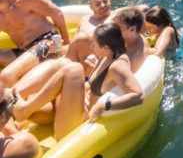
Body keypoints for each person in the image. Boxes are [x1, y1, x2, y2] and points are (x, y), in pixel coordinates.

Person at [12, 23, 143, 141]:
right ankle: (15, 95)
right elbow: (99, 85)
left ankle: (24, 110)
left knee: (74, 69)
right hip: (77, 107)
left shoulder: (118, 66)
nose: (91, 47)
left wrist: (104, 105)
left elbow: (138, 95)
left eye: (94, 44)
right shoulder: (108, 56)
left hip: (78, 125)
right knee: (64, 63)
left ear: (106, 48)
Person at [0, 0, 70, 86]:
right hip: (25, 51)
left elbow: (57, 14)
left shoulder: (27, 0)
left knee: (7, 75)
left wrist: (65, 44)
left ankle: (17, 99)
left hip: (50, 42)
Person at [0, 88, 41, 158]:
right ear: (2, 117)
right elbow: (38, 153)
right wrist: (11, 130)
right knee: (73, 73)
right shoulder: (25, 144)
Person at [112, 8, 150, 72]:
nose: (113, 30)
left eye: (117, 28)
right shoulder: (136, 36)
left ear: (132, 29)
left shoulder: (131, 57)